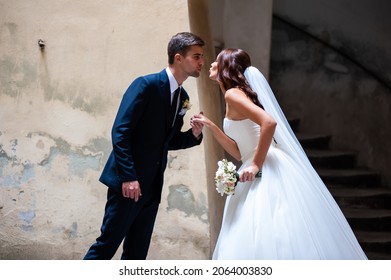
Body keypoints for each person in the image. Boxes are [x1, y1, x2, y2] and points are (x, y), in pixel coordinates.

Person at [192, 48, 367, 259]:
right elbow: (239, 152)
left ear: (226, 67)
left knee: (266, 230)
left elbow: (269, 122)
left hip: (265, 166)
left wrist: (256, 164)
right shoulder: (235, 95)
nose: (211, 64)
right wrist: (211, 126)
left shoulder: (233, 94)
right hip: (254, 162)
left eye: (216, 61)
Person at [84, 32, 205, 260]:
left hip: (152, 187)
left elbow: (166, 141)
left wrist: (194, 135)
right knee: (106, 247)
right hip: (128, 185)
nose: (201, 62)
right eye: (196, 56)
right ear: (178, 58)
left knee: (136, 255)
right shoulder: (146, 85)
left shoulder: (182, 96)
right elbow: (120, 132)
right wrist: (128, 177)